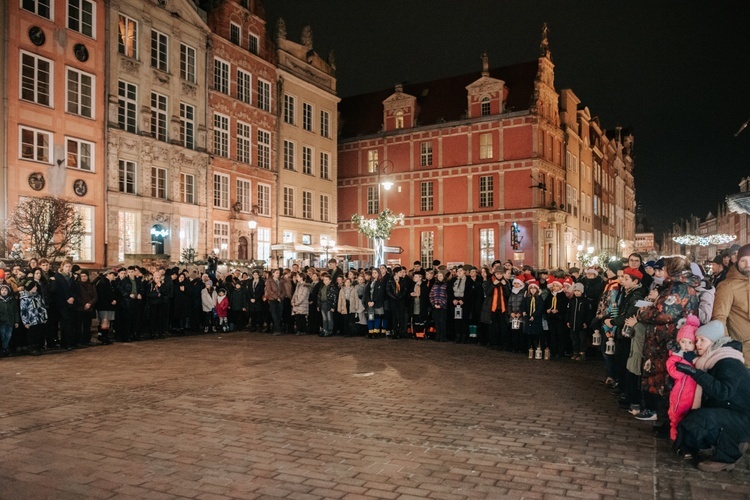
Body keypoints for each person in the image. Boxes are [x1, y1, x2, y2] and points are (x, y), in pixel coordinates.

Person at [674, 320, 750, 472]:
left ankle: (727, 456)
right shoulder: (713, 360)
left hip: (743, 417)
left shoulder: (728, 362)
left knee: (701, 419)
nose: (698, 344)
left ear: (715, 343)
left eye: (703, 340)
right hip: (733, 412)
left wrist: (696, 374)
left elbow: (723, 392)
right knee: (696, 417)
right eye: (697, 340)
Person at [711, 243, 750, 367]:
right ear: (737, 261)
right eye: (744, 260)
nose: (748, 265)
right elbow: (719, 319)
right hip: (744, 353)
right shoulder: (728, 286)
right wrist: (729, 347)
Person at [666, 315, 699, 443]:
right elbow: (676, 374)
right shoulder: (674, 358)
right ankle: (675, 438)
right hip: (679, 394)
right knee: (675, 415)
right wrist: (686, 362)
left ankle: (685, 438)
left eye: (690, 342)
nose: (686, 345)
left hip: (693, 395)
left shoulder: (696, 359)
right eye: (683, 342)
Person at [567, 282, 593, 361]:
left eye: (578, 291)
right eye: (575, 291)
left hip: (582, 325)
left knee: (582, 339)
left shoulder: (586, 301)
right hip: (573, 324)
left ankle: (582, 353)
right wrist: (568, 321)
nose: (577, 292)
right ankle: (575, 352)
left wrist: (586, 322)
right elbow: (568, 311)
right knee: (574, 339)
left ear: (582, 291)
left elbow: (589, 313)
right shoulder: (571, 301)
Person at [429, 269, 449, 342]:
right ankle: (438, 336)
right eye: (438, 276)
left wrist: (441, 304)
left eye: (441, 276)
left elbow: (447, 296)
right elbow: (431, 295)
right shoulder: (434, 285)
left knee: (442, 322)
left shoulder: (446, 285)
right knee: (437, 322)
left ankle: (443, 336)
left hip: (443, 307)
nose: (440, 277)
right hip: (435, 306)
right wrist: (434, 304)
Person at [0, 284, 20, 356]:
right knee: (2, 334)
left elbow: (16, 311)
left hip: (10, 321)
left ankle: (5, 347)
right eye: (2, 290)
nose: (4, 292)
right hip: (2, 321)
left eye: (5, 290)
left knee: (8, 335)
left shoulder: (12, 300)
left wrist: (16, 321)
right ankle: (4, 348)